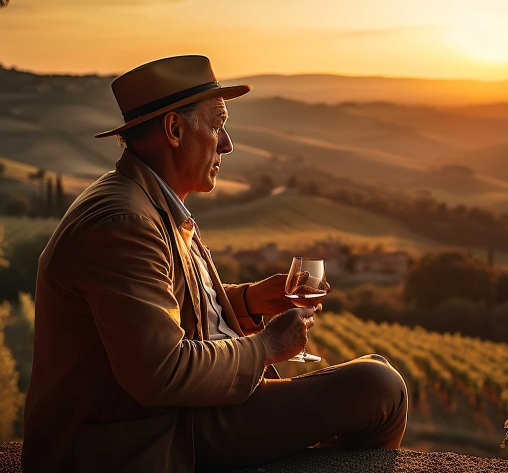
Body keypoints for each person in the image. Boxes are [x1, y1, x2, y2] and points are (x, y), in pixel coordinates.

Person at [22, 55, 408, 473]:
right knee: (380, 388)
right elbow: (160, 372)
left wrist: (250, 301)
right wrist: (267, 346)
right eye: (217, 123)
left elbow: (167, 310)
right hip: (156, 435)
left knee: (378, 371)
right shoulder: (126, 222)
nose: (227, 143)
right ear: (174, 129)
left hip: (181, 416)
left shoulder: (146, 200)